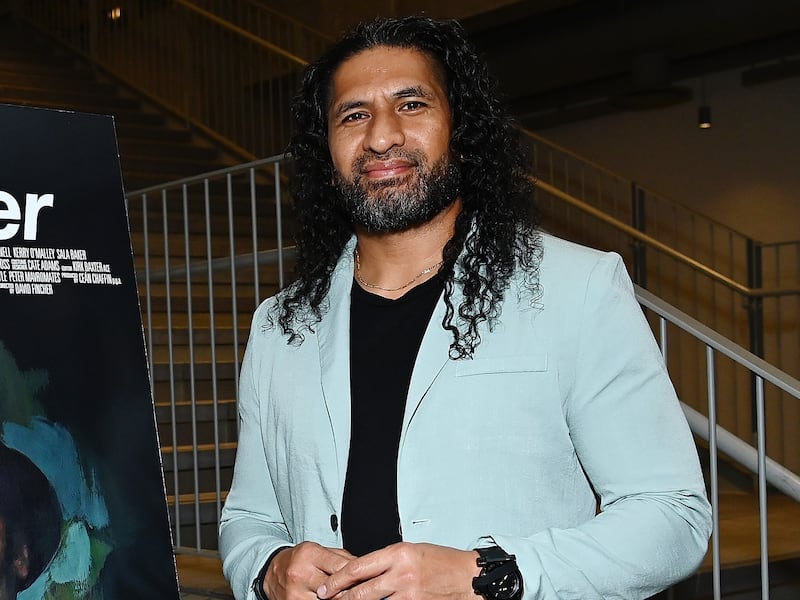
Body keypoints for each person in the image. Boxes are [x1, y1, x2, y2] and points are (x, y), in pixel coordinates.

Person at [219, 15, 712, 600]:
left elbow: (671, 516)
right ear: (325, 153)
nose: (381, 136)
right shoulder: (279, 327)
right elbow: (247, 518)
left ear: (460, 129)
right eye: (353, 115)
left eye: (411, 104)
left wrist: (486, 576)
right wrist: (269, 568)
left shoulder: (575, 288)